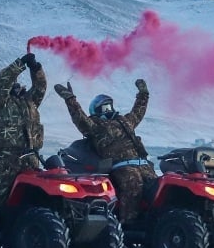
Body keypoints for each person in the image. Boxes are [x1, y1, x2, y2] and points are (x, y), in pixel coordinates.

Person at [54, 78, 155, 226]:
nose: (108, 111)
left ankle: (153, 220)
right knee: (133, 184)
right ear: (96, 111)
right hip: (121, 167)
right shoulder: (95, 126)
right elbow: (80, 118)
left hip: (142, 164)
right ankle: (127, 224)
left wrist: (143, 93)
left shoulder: (125, 121)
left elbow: (138, 111)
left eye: (109, 106)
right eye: (104, 108)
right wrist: (70, 99)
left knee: (156, 187)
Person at [0, 52, 47, 228]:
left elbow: (40, 87)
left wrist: (35, 68)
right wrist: (19, 64)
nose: (16, 86)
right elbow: (0, 82)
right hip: (5, 159)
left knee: (31, 198)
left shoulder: (29, 102)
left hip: (30, 158)